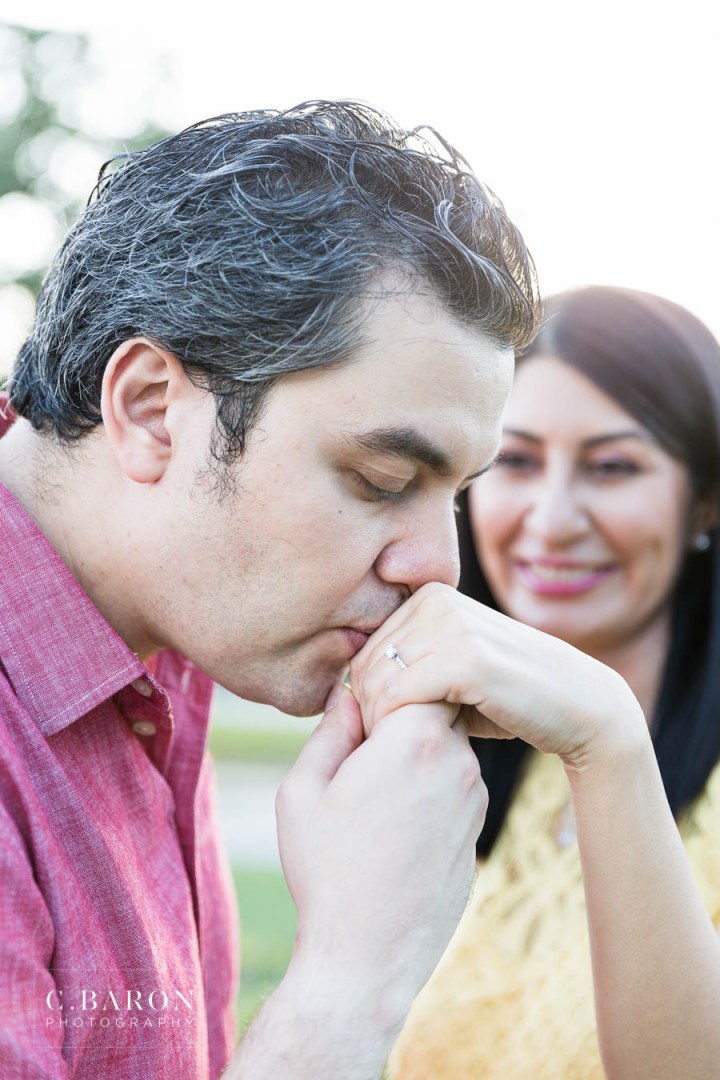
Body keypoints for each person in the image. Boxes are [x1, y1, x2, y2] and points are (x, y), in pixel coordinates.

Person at [0, 99, 547, 1079]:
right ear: (151, 409)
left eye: (456, 495)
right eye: (382, 480)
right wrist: (348, 984)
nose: (438, 567)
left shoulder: (174, 640)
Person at [382, 286, 720, 1079]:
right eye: (516, 461)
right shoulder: (454, 765)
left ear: (706, 503)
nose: (553, 519)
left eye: (612, 467)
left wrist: (609, 740)